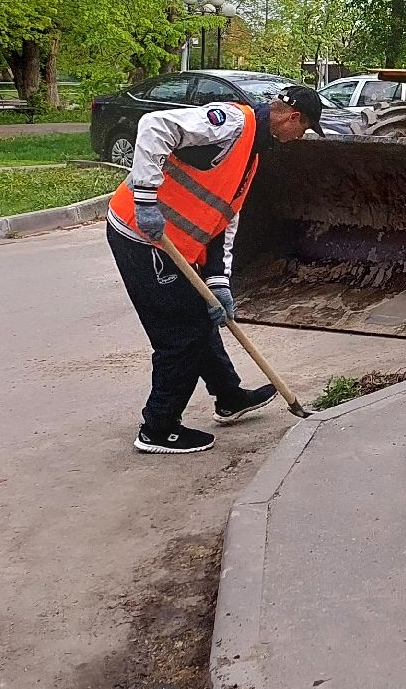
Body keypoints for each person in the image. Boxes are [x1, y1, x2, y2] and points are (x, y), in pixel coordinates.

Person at [106, 85, 324, 455]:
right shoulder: (232, 123)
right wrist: (144, 199)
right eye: (302, 130)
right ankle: (159, 428)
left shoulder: (253, 152)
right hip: (141, 236)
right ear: (292, 117)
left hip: (176, 246)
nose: (298, 138)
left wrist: (218, 281)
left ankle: (229, 397)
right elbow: (155, 125)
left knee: (202, 316)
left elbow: (223, 218)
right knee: (181, 335)